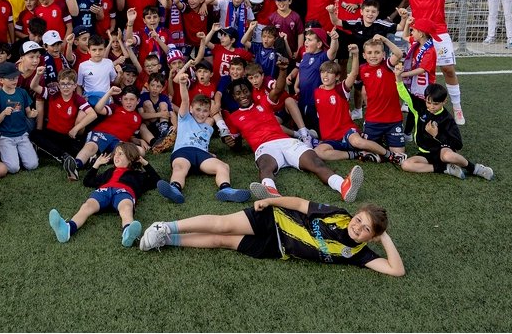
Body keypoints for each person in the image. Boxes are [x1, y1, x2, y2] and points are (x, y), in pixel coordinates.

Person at [351, 0, 505, 125]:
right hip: (416, 34)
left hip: (439, 33)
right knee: (413, 70)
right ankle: (411, 105)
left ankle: (457, 107)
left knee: (447, 69)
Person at [137, 196, 405, 277]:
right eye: (359, 220)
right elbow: (301, 205)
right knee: (222, 225)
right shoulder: (339, 214)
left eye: (366, 229)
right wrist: (268, 200)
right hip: (274, 219)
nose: (357, 227)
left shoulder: (360, 254)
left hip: (275, 249)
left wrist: (385, 239)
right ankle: (167, 227)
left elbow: (396, 270)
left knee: (222, 242)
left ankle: (166, 241)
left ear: (371, 237)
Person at [218, 78, 363, 203]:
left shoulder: (263, 103)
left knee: (316, 162)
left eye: (245, 91)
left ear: (250, 91)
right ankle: (270, 190)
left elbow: (279, 89)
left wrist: (282, 70)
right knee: (266, 166)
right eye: (238, 93)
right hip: (264, 146)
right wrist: (229, 142)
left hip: (286, 141)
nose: (243, 95)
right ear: (233, 97)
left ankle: (343, 186)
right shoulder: (233, 117)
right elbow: (236, 145)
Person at [155, 70, 250, 204]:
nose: (201, 114)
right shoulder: (185, 118)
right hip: (183, 151)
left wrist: (209, 152)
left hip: (201, 155)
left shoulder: (209, 125)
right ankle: (174, 189)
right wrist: (182, 84)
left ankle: (226, 190)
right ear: (191, 109)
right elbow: (185, 100)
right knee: (179, 168)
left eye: (205, 111)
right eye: (198, 110)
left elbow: (214, 117)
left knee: (223, 166)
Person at [48, 142, 159, 248]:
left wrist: (145, 163)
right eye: (115, 153)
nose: (116, 156)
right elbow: (88, 181)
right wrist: (96, 165)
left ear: (131, 157)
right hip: (103, 191)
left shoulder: (138, 175)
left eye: (121, 154)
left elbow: (156, 181)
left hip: (124, 192)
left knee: (126, 207)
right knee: (87, 206)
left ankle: (128, 232)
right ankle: (67, 229)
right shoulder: (109, 172)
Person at [395, 65, 494, 181]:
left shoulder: (447, 119)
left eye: (436, 104)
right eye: (429, 102)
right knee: (406, 165)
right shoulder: (420, 108)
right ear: (425, 99)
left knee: (448, 155)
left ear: (444, 101)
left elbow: (457, 144)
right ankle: (445, 168)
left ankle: (474, 168)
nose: (431, 107)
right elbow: (405, 95)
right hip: (425, 153)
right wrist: (398, 78)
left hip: (443, 151)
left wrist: (436, 135)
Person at [0, 61, 40, 174]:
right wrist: (3, 114)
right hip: (5, 137)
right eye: (11, 78)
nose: (15, 80)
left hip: (22, 134)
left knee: (32, 165)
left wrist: (33, 114)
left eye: (16, 77)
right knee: (13, 169)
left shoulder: (22, 92)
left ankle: (21, 152)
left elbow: (28, 113)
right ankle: (0, 152)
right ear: (1, 80)